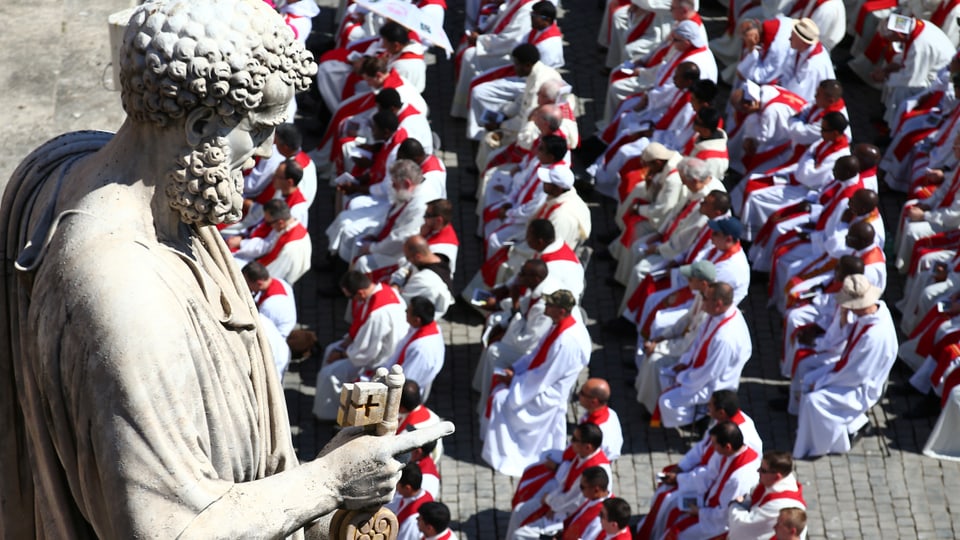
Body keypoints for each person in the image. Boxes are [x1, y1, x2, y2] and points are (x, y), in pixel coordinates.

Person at [0, 1, 453, 537]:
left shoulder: (87, 165)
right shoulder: (121, 291)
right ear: (197, 124)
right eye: (257, 132)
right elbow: (167, 529)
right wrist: (328, 483)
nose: (264, 154)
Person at [482, 290, 592, 476]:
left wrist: (514, 380)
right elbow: (536, 355)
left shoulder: (567, 342)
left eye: (550, 305)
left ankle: (505, 455)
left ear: (562, 311)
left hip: (548, 393)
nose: (545, 308)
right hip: (536, 381)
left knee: (501, 400)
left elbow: (545, 376)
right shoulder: (557, 326)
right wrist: (515, 369)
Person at [793, 274, 898, 458]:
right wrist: (843, 317)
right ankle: (807, 428)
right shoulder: (875, 312)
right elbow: (843, 339)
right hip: (850, 370)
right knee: (807, 372)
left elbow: (855, 374)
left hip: (863, 385)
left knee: (813, 400)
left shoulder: (874, 336)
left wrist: (821, 383)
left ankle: (822, 444)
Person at [653, 282, 752, 428]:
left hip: (715, 384)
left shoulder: (725, 338)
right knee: (664, 374)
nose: (702, 300)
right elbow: (700, 341)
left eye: (705, 298)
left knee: (666, 401)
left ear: (718, 304)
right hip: (700, 372)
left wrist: (683, 378)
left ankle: (699, 420)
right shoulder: (718, 314)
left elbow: (710, 372)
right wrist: (685, 362)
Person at [313, 271, 409, 420]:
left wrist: (341, 355)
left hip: (381, 361)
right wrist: (344, 345)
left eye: (351, 297)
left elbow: (365, 352)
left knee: (329, 375)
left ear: (360, 293)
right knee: (331, 349)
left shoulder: (377, 315)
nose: (353, 300)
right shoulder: (384, 290)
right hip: (372, 349)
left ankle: (329, 414)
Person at [506, 424, 612, 538]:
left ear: (588, 447)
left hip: (567, 515)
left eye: (575, 440)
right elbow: (566, 482)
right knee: (519, 511)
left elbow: (575, 502)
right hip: (559, 501)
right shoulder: (583, 455)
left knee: (520, 536)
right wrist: (551, 500)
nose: (571, 442)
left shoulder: (594, 471)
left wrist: (550, 503)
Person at [660, 422, 761, 540]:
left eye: (714, 444)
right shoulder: (730, 452)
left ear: (727, 447)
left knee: (678, 534)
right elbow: (710, 474)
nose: (712, 447)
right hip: (710, 505)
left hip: (719, 524)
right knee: (671, 505)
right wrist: (680, 479)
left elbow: (726, 514)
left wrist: (701, 512)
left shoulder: (739, 478)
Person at [727, 451, 807, 540]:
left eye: (763, 470)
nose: (758, 471)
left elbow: (744, 526)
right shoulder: (779, 480)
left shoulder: (779, 504)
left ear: (777, 477)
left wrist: (735, 505)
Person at [230, 198, 312, 284]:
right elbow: (268, 245)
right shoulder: (292, 226)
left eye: (268, 223)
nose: (269, 227)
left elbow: (271, 276)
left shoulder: (289, 248)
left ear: (281, 222)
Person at [380, 296, 446, 401]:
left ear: (417, 320)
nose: (405, 312)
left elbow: (405, 381)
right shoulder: (427, 326)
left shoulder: (421, 349)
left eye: (407, 311)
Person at [390, 236, 455, 318]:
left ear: (418, 256)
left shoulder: (424, 280)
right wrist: (397, 282)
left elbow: (399, 302)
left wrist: (396, 285)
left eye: (408, 258)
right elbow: (406, 269)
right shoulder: (436, 257)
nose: (407, 261)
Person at [242, 261, 297, 338]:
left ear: (259, 283)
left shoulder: (269, 306)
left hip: (278, 338)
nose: (245, 286)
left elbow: (260, 331)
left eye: (247, 283)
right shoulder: (281, 282)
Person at [576, 378, 624, 462]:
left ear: (594, 402)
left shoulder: (595, 433)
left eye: (582, 393)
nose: (578, 394)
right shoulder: (610, 413)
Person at [386, 462, 434, 540]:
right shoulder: (423, 493)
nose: (396, 488)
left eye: (397, 484)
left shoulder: (413, 520)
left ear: (407, 488)